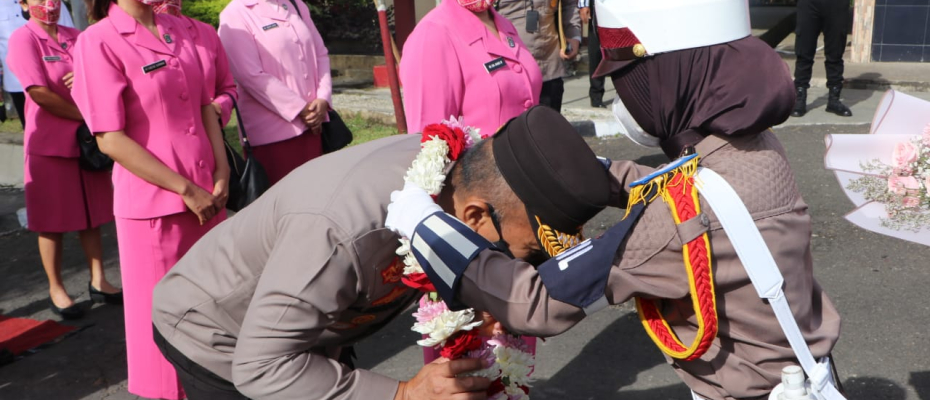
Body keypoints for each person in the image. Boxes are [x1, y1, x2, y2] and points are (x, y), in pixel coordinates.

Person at [388, 1, 844, 399]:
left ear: (672, 79)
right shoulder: (751, 145)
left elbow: (533, 302)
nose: (629, 95)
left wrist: (426, 226)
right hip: (803, 370)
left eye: (634, 78)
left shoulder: (675, 221)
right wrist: (570, 168)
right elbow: (683, 181)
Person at [151, 106, 612, 400]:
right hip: (219, 335)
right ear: (472, 217)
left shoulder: (465, 174)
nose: (518, 266)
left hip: (312, 326)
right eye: (523, 253)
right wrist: (405, 395)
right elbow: (263, 367)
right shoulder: (341, 234)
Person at [71, 0, 230, 396]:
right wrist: (186, 189)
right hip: (155, 207)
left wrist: (223, 170)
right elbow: (109, 139)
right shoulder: (99, 40)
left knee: (214, 315)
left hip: (208, 195)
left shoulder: (178, 30)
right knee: (163, 331)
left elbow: (204, 106)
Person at [6, 0, 121, 320]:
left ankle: (99, 279)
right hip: (50, 145)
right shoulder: (23, 39)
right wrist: (87, 116)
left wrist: (85, 84)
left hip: (86, 143)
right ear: (24, 4)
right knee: (50, 221)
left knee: (92, 212)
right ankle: (56, 287)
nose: (49, 4)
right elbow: (38, 92)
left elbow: (102, 76)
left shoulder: (77, 36)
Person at [218, 0, 330, 185]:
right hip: (272, 136)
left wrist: (323, 97)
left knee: (317, 196)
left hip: (313, 127)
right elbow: (249, 75)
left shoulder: (296, 5)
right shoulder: (235, 14)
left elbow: (321, 54)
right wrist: (299, 109)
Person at [400, 0, 542, 135]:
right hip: (482, 159)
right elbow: (430, 142)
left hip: (525, 157)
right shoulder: (432, 34)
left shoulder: (505, 25)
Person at [152, 0, 237, 127]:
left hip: (210, 136)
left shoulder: (206, 32)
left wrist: (218, 107)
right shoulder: (127, 37)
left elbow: (228, 88)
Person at [496, 0, 581, 112]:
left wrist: (573, 35)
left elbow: (569, 4)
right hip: (508, 71)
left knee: (547, 127)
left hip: (548, 66)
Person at [0, 0, 72, 128]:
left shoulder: (54, 3)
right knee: (37, 127)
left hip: (60, 81)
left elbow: (71, 38)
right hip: (17, 83)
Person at [791, 0, 852, 118]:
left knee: (835, 53)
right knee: (804, 52)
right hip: (809, 4)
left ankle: (834, 100)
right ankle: (799, 99)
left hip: (836, 5)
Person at [578, 0, 605, 108]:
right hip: (598, 5)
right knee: (596, 52)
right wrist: (584, 4)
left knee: (621, 50)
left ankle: (624, 95)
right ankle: (596, 95)